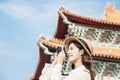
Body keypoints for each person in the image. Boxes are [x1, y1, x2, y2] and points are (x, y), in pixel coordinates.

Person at [29, 36, 96, 80]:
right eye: (68, 50)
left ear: (81, 52)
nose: (68, 52)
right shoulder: (70, 75)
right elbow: (43, 78)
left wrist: (59, 64)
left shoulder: (83, 74)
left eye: (71, 49)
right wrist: (56, 61)